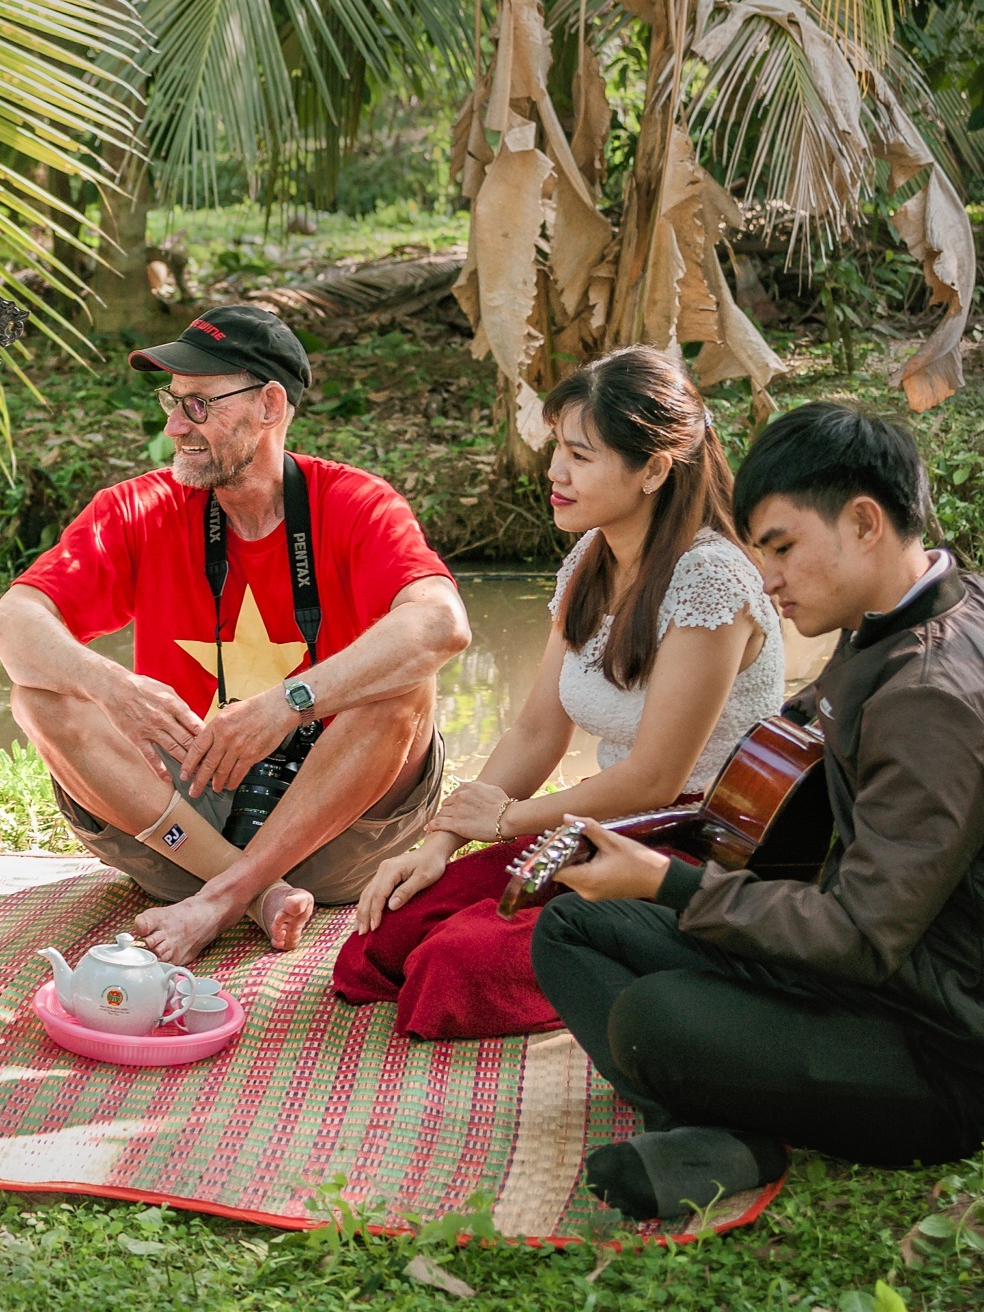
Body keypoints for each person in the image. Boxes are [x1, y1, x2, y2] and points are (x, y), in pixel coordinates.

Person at [530, 400, 984, 1221]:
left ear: (863, 523)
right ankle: (709, 1129)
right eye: (759, 552)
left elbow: (859, 933)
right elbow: (812, 735)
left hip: (939, 1047)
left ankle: (729, 1133)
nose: (768, 577)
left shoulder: (936, 699)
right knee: (572, 926)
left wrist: (669, 885)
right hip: (864, 979)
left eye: (782, 547)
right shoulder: (910, 612)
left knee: (655, 1018)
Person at [0, 304, 469, 967]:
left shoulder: (354, 503)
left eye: (199, 404)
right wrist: (112, 686)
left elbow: (441, 625)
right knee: (38, 696)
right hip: (183, 835)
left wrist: (285, 706)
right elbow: (8, 625)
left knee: (408, 686)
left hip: (333, 826)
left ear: (270, 405)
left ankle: (223, 896)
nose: (174, 424)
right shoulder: (139, 507)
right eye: (172, 401)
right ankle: (256, 892)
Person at [332, 348, 783, 1038]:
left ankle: (665, 957)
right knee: (378, 942)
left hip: (692, 850)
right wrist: (441, 842)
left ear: (654, 469)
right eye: (556, 449)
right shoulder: (590, 562)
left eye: (580, 454)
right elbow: (539, 732)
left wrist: (512, 821)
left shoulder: (710, 581)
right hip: (603, 827)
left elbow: (658, 777)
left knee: (448, 971)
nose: (555, 472)